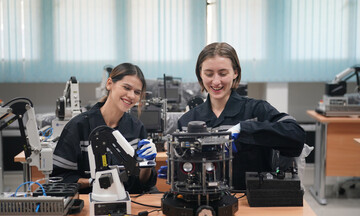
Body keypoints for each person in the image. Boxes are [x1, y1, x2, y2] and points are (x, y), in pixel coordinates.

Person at [177, 42, 306, 190]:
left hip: (250, 199)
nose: (216, 81)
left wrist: (246, 128)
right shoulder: (187, 121)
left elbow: (297, 136)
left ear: (235, 72)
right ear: (200, 74)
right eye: (209, 74)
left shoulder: (257, 110)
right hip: (205, 201)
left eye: (223, 73)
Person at [51, 63, 157, 194]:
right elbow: (60, 178)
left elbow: (142, 183)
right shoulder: (78, 126)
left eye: (137, 92)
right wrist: (95, 181)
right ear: (109, 84)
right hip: (88, 202)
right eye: (126, 87)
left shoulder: (136, 128)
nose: (131, 96)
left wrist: (147, 164)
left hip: (127, 201)